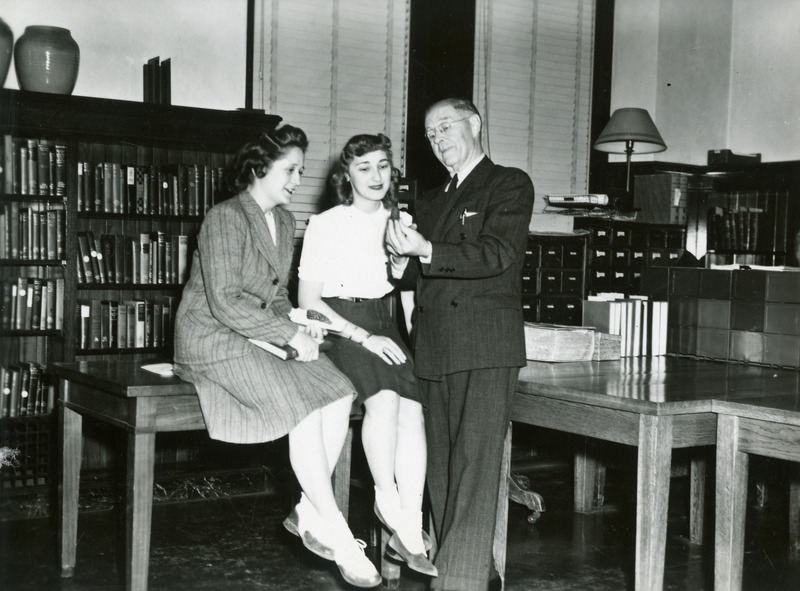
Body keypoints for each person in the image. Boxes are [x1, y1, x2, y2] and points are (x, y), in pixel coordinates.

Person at [173, 125, 381, 589]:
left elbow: (276, 297)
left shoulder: (286, 222)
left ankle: (309, 512)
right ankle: (341, 534)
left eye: (302, 171)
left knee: (338, 390)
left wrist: (301, 322)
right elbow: (225, 300)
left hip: (256, 334)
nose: (297, 180)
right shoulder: (225, 217)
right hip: (211, 337)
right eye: (290, 170)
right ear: (259, 167)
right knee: (302, 408)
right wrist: (286, 332)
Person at [385, 98, 535, 590]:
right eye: (430, 134)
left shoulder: (507, 183)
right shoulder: (430, 199)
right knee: (443, 474)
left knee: (475, 469)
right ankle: (467, 571)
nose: (438, 139)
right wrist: (395, 259)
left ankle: (457, 582)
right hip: (435, 346)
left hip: (485, 345)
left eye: (445, 126)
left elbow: (496, 253)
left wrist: (423, 249)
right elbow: (414, 271)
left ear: (475, 124)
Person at [296, 133, 437, 578]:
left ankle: (409, 525)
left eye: (382, 166)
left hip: (384, 323)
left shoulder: (402, 219)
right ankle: (386, 500)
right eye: (364, 168)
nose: (376, 176)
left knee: (414, 412)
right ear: (346, 175)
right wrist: (362, 336)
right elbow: (307, 302)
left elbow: (405, 288)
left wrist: (400, 268)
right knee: (387, 401)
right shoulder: (326, 223)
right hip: (341, 328)